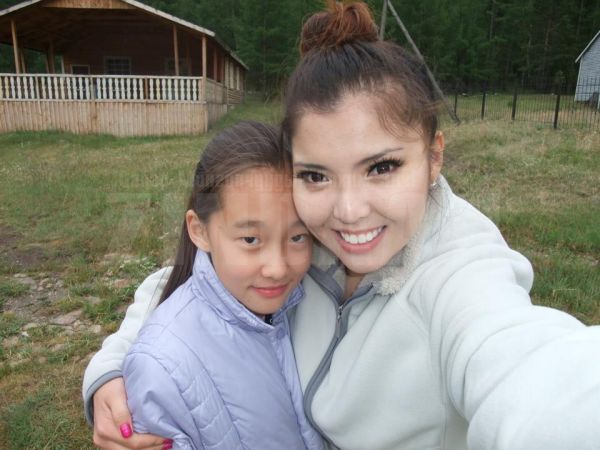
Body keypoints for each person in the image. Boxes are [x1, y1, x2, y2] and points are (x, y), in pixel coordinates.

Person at [83, 2, 600, 449]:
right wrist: (110, 368)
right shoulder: (300, 232)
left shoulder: (461, 274)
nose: (348, 212)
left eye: (382, 167)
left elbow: (526, 366)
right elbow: (193, 277)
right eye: (316, 175)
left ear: (434, 157)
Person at [108, 121, 323, 450]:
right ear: (200, 231)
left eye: (298, 237)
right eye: (250, 239)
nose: (278, 268)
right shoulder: (161, 372)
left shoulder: (315, 296)